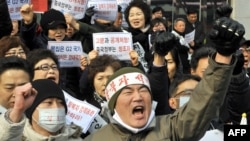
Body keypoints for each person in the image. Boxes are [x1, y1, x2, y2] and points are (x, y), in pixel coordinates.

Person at [83, 17, 244, 140]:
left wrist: (223, 55)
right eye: (128, 92)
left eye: (143, 90)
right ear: (113, 103)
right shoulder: (96, 138)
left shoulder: (171, 128)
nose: (138, 97)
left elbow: (204, 101)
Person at [0, 79, 83, 140]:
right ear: (31, 108)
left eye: (60, 103)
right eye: (49, 102)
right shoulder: (17, 137)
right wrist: (18, 110)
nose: (56, 107)